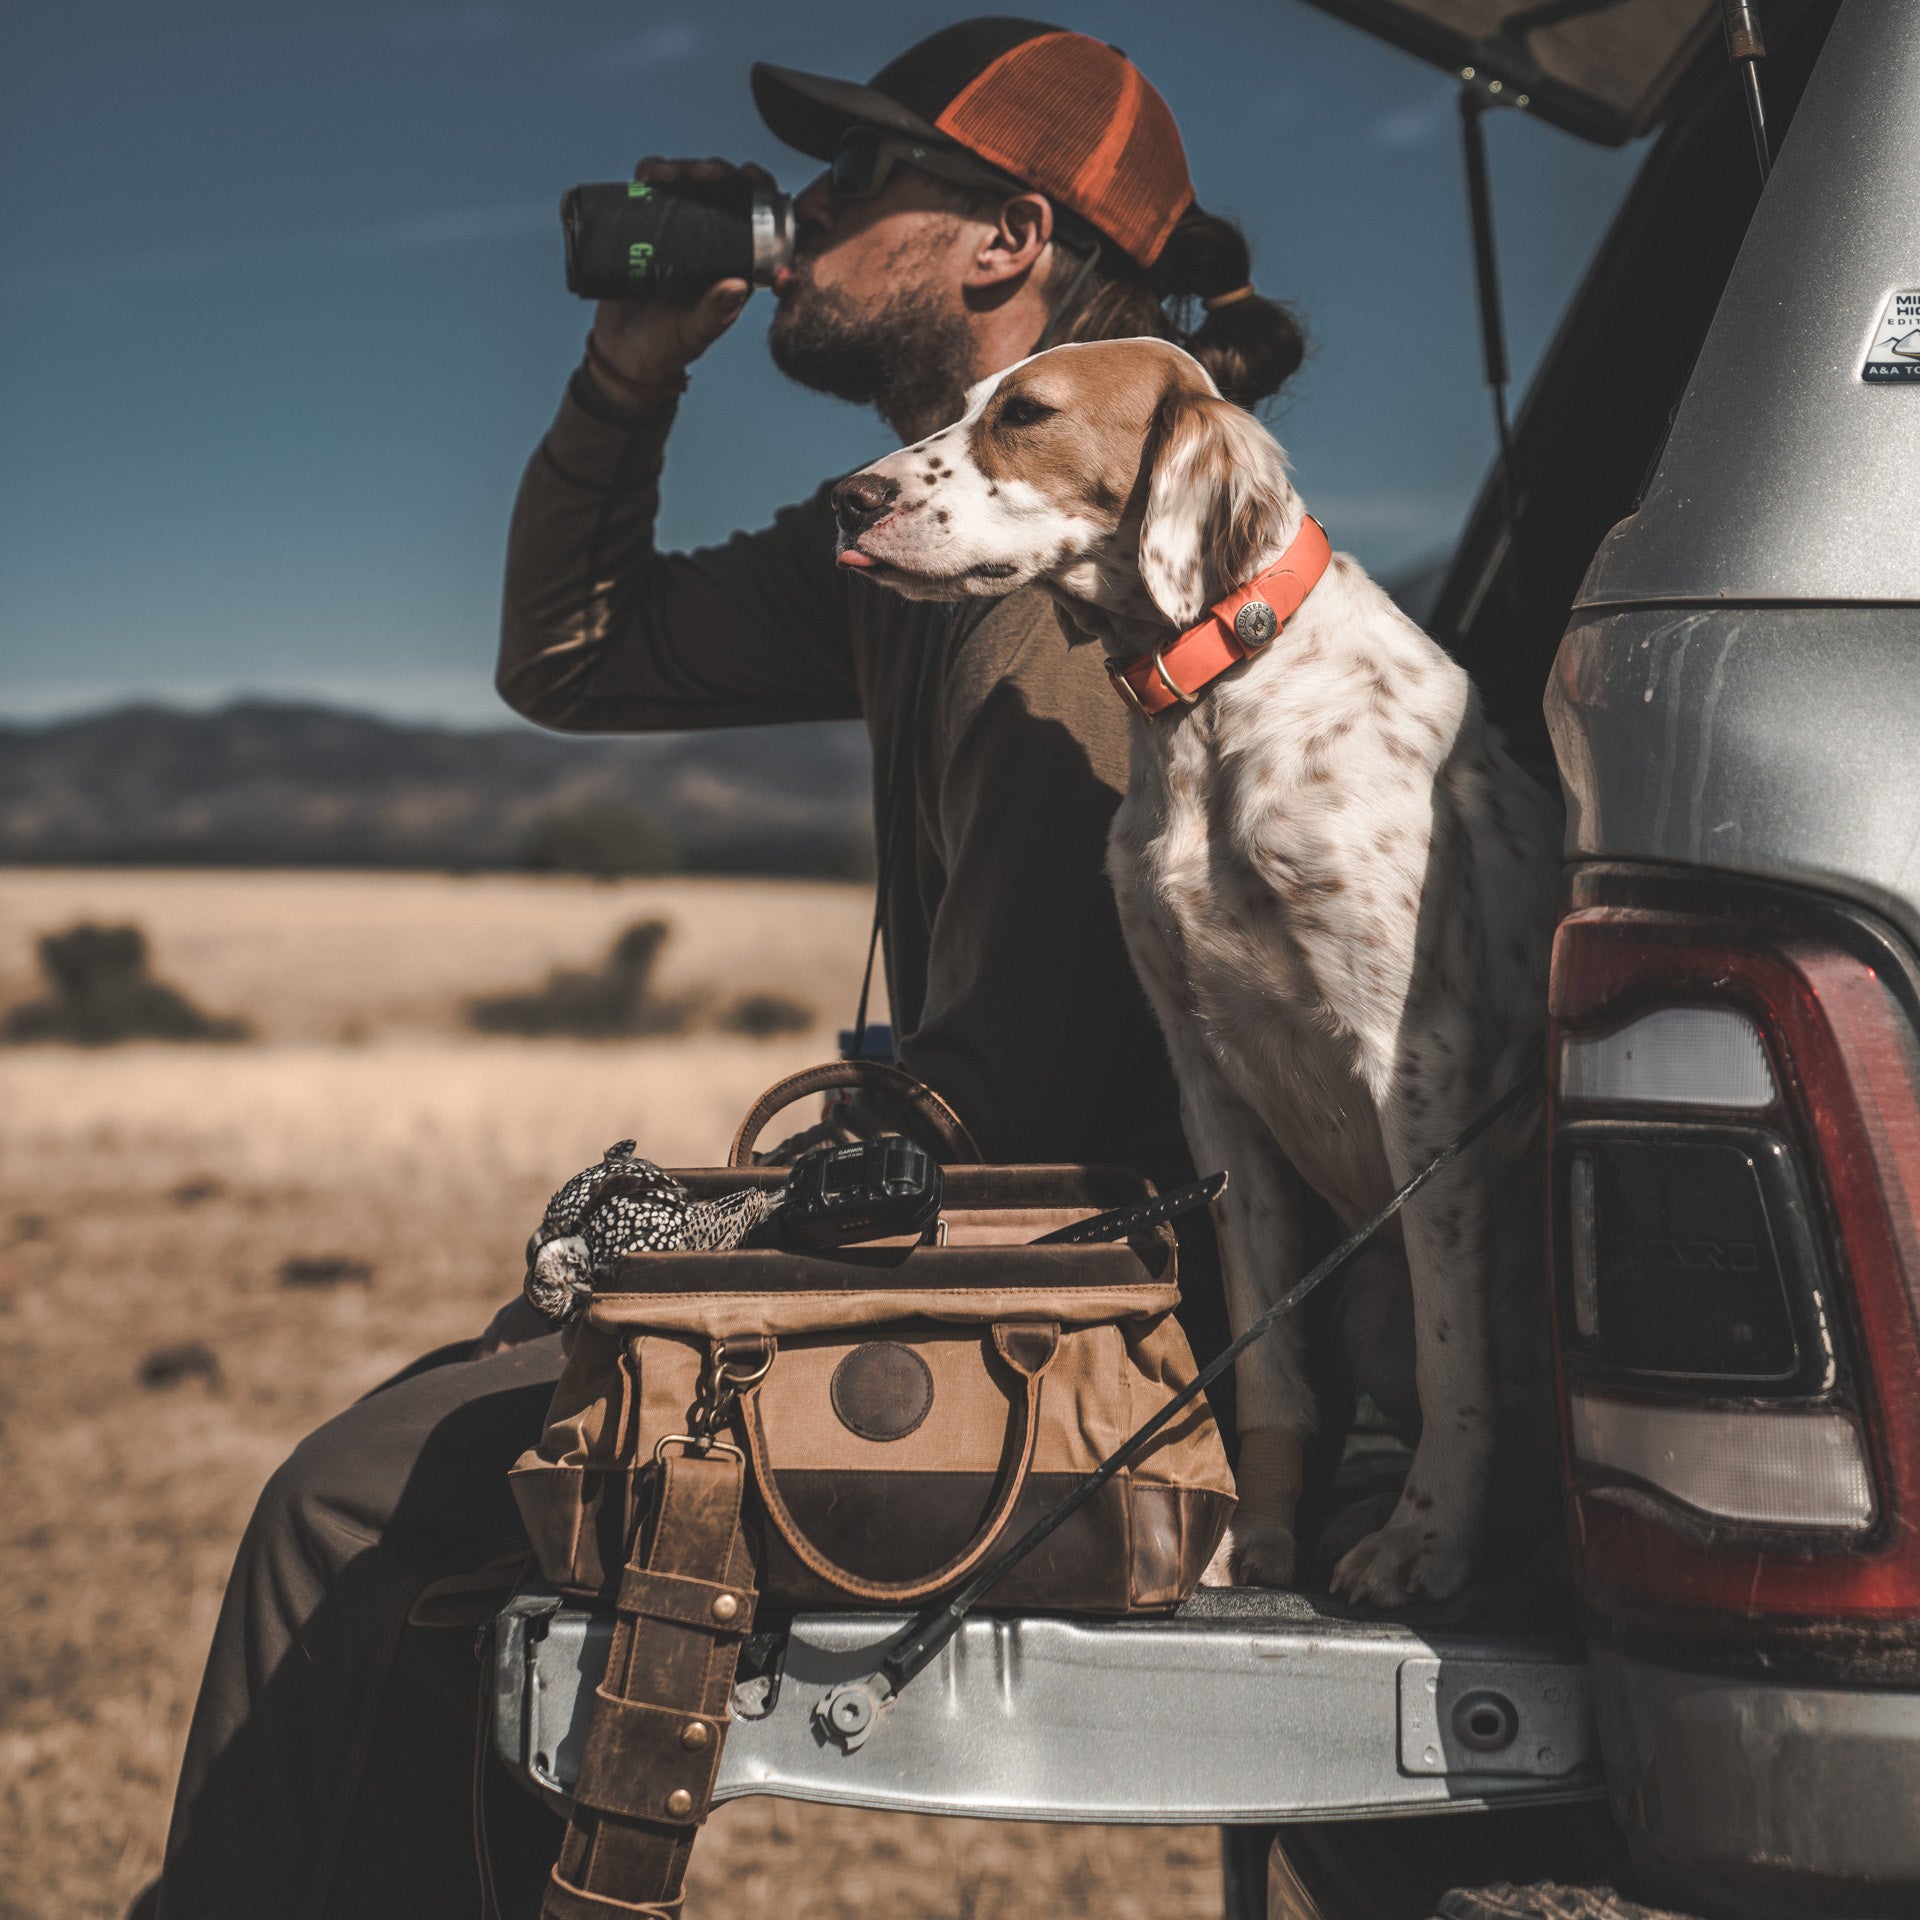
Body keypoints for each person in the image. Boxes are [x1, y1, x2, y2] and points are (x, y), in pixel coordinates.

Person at [151, 21, 1304, 1917]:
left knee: (356, 1510)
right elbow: (582, 659)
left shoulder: (1074, 596)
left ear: (1006, 237)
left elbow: (1013, 1128)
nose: (805, 220)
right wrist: (628, 373)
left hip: (1089, 1324)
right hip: (999, 1249)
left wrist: (711, 1240)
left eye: (859, 187)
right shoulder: (927, 536)